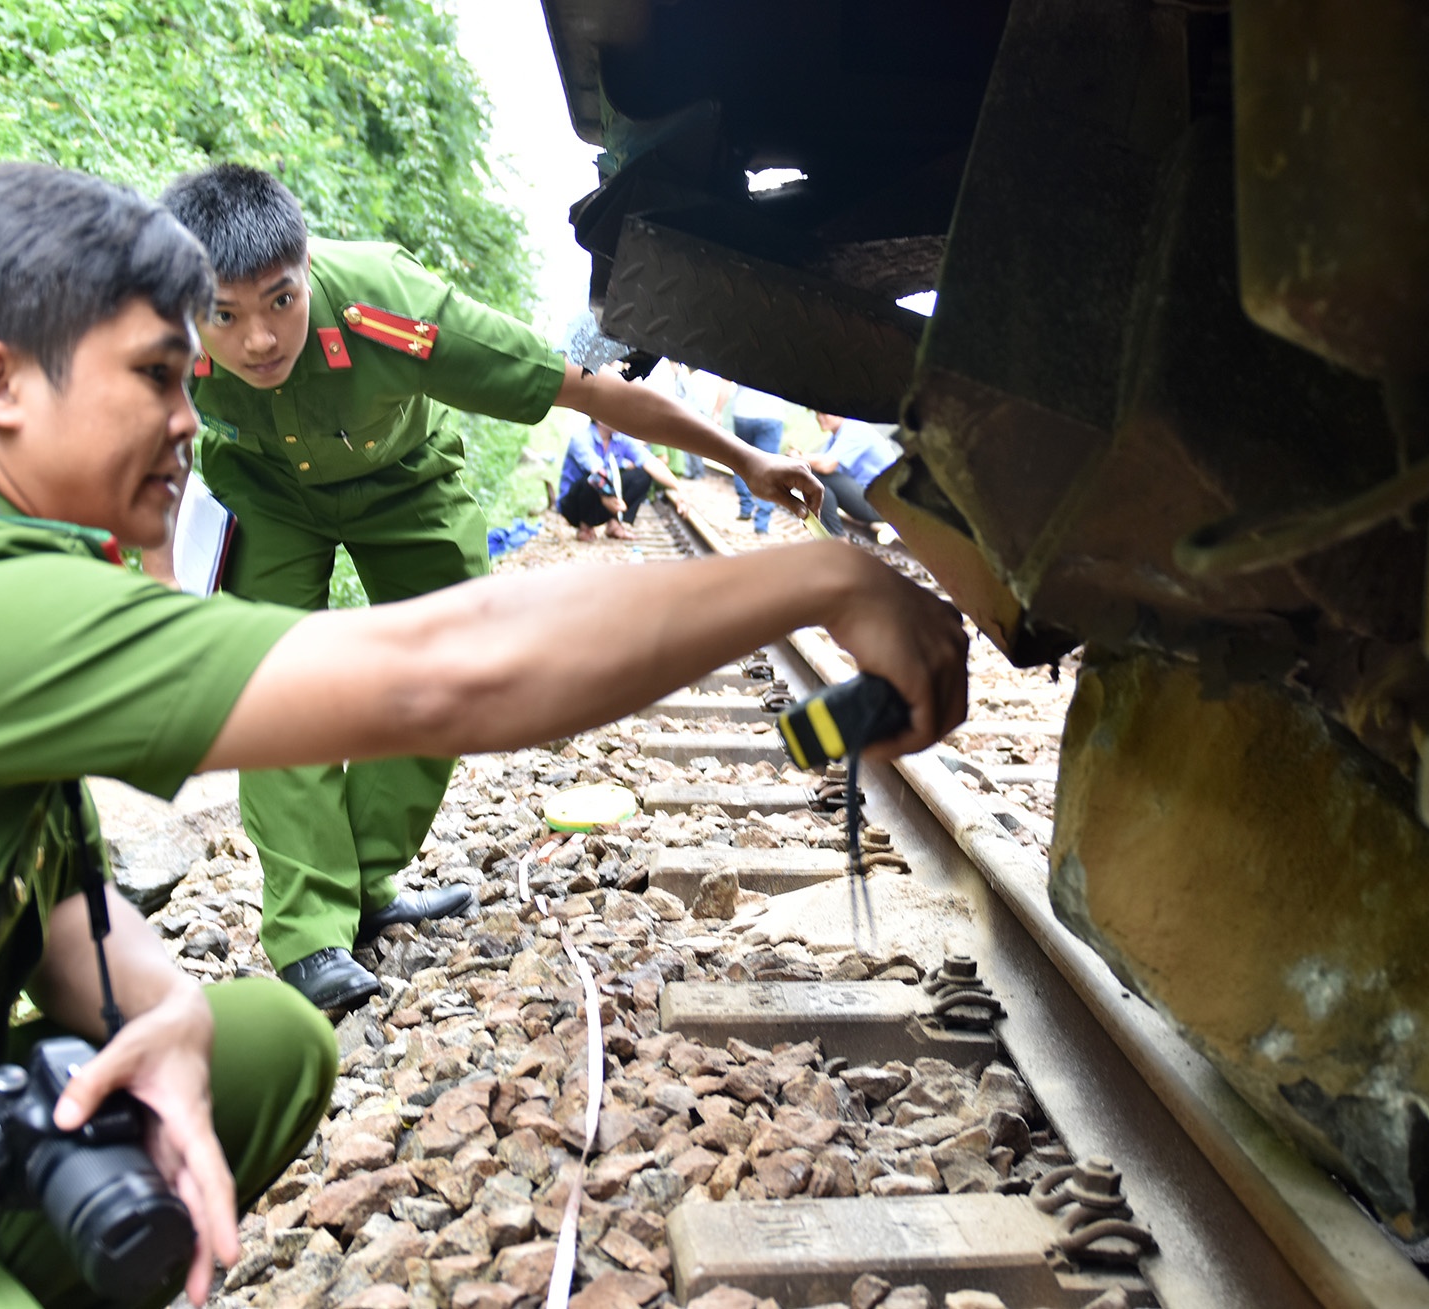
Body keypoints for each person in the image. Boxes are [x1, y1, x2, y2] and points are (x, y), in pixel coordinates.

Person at [0, 162, 966, 1309]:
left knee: (260, 1044)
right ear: (0, 386)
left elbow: (62, 891)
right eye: (159, 375)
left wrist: (157, 1004)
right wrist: (820, 581)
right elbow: (442, 677)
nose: (192, 418)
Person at [147, 165, 827, 1011]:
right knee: (273, 685)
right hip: (263, 496)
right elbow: (132, 454)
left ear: (308, 266)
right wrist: (159, 586)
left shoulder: (389, 306)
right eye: (225, 315)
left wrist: (747, 458)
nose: (258, 339)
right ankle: (311, 933)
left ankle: (361, 881)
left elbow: (580, 387)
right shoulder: (151, 335)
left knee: (454, 664)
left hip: (402, 485)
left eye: (281, 301)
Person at [556, 418, 687, 541]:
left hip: (606, 500)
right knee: (592, 480)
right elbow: (596, 470)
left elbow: (650, 462)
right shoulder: (580, 439)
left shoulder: (621, 439)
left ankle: (615, 524)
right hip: (574, 507)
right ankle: (585, 527)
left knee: (642, 476)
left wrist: (679, 488)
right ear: (599, 419)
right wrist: (606, 497)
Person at [809, 412, 904, 541]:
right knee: (817, 479)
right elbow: (820, 462)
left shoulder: (855, 430)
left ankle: (837, 540)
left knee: (817, 476)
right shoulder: (835, 438)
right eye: (817, 414)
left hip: (884, 504)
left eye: (824, 413)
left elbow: (826, 465)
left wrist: (799, 457)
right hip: (870, 498)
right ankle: (833, 537)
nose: (819, 418)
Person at [715, 381, 793, 533]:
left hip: (744, 413)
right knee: (770, 469)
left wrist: (717, 410)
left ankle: (746, 507)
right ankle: (762, 524)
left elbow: (726, 382)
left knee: (741, 461)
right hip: (772, 414)